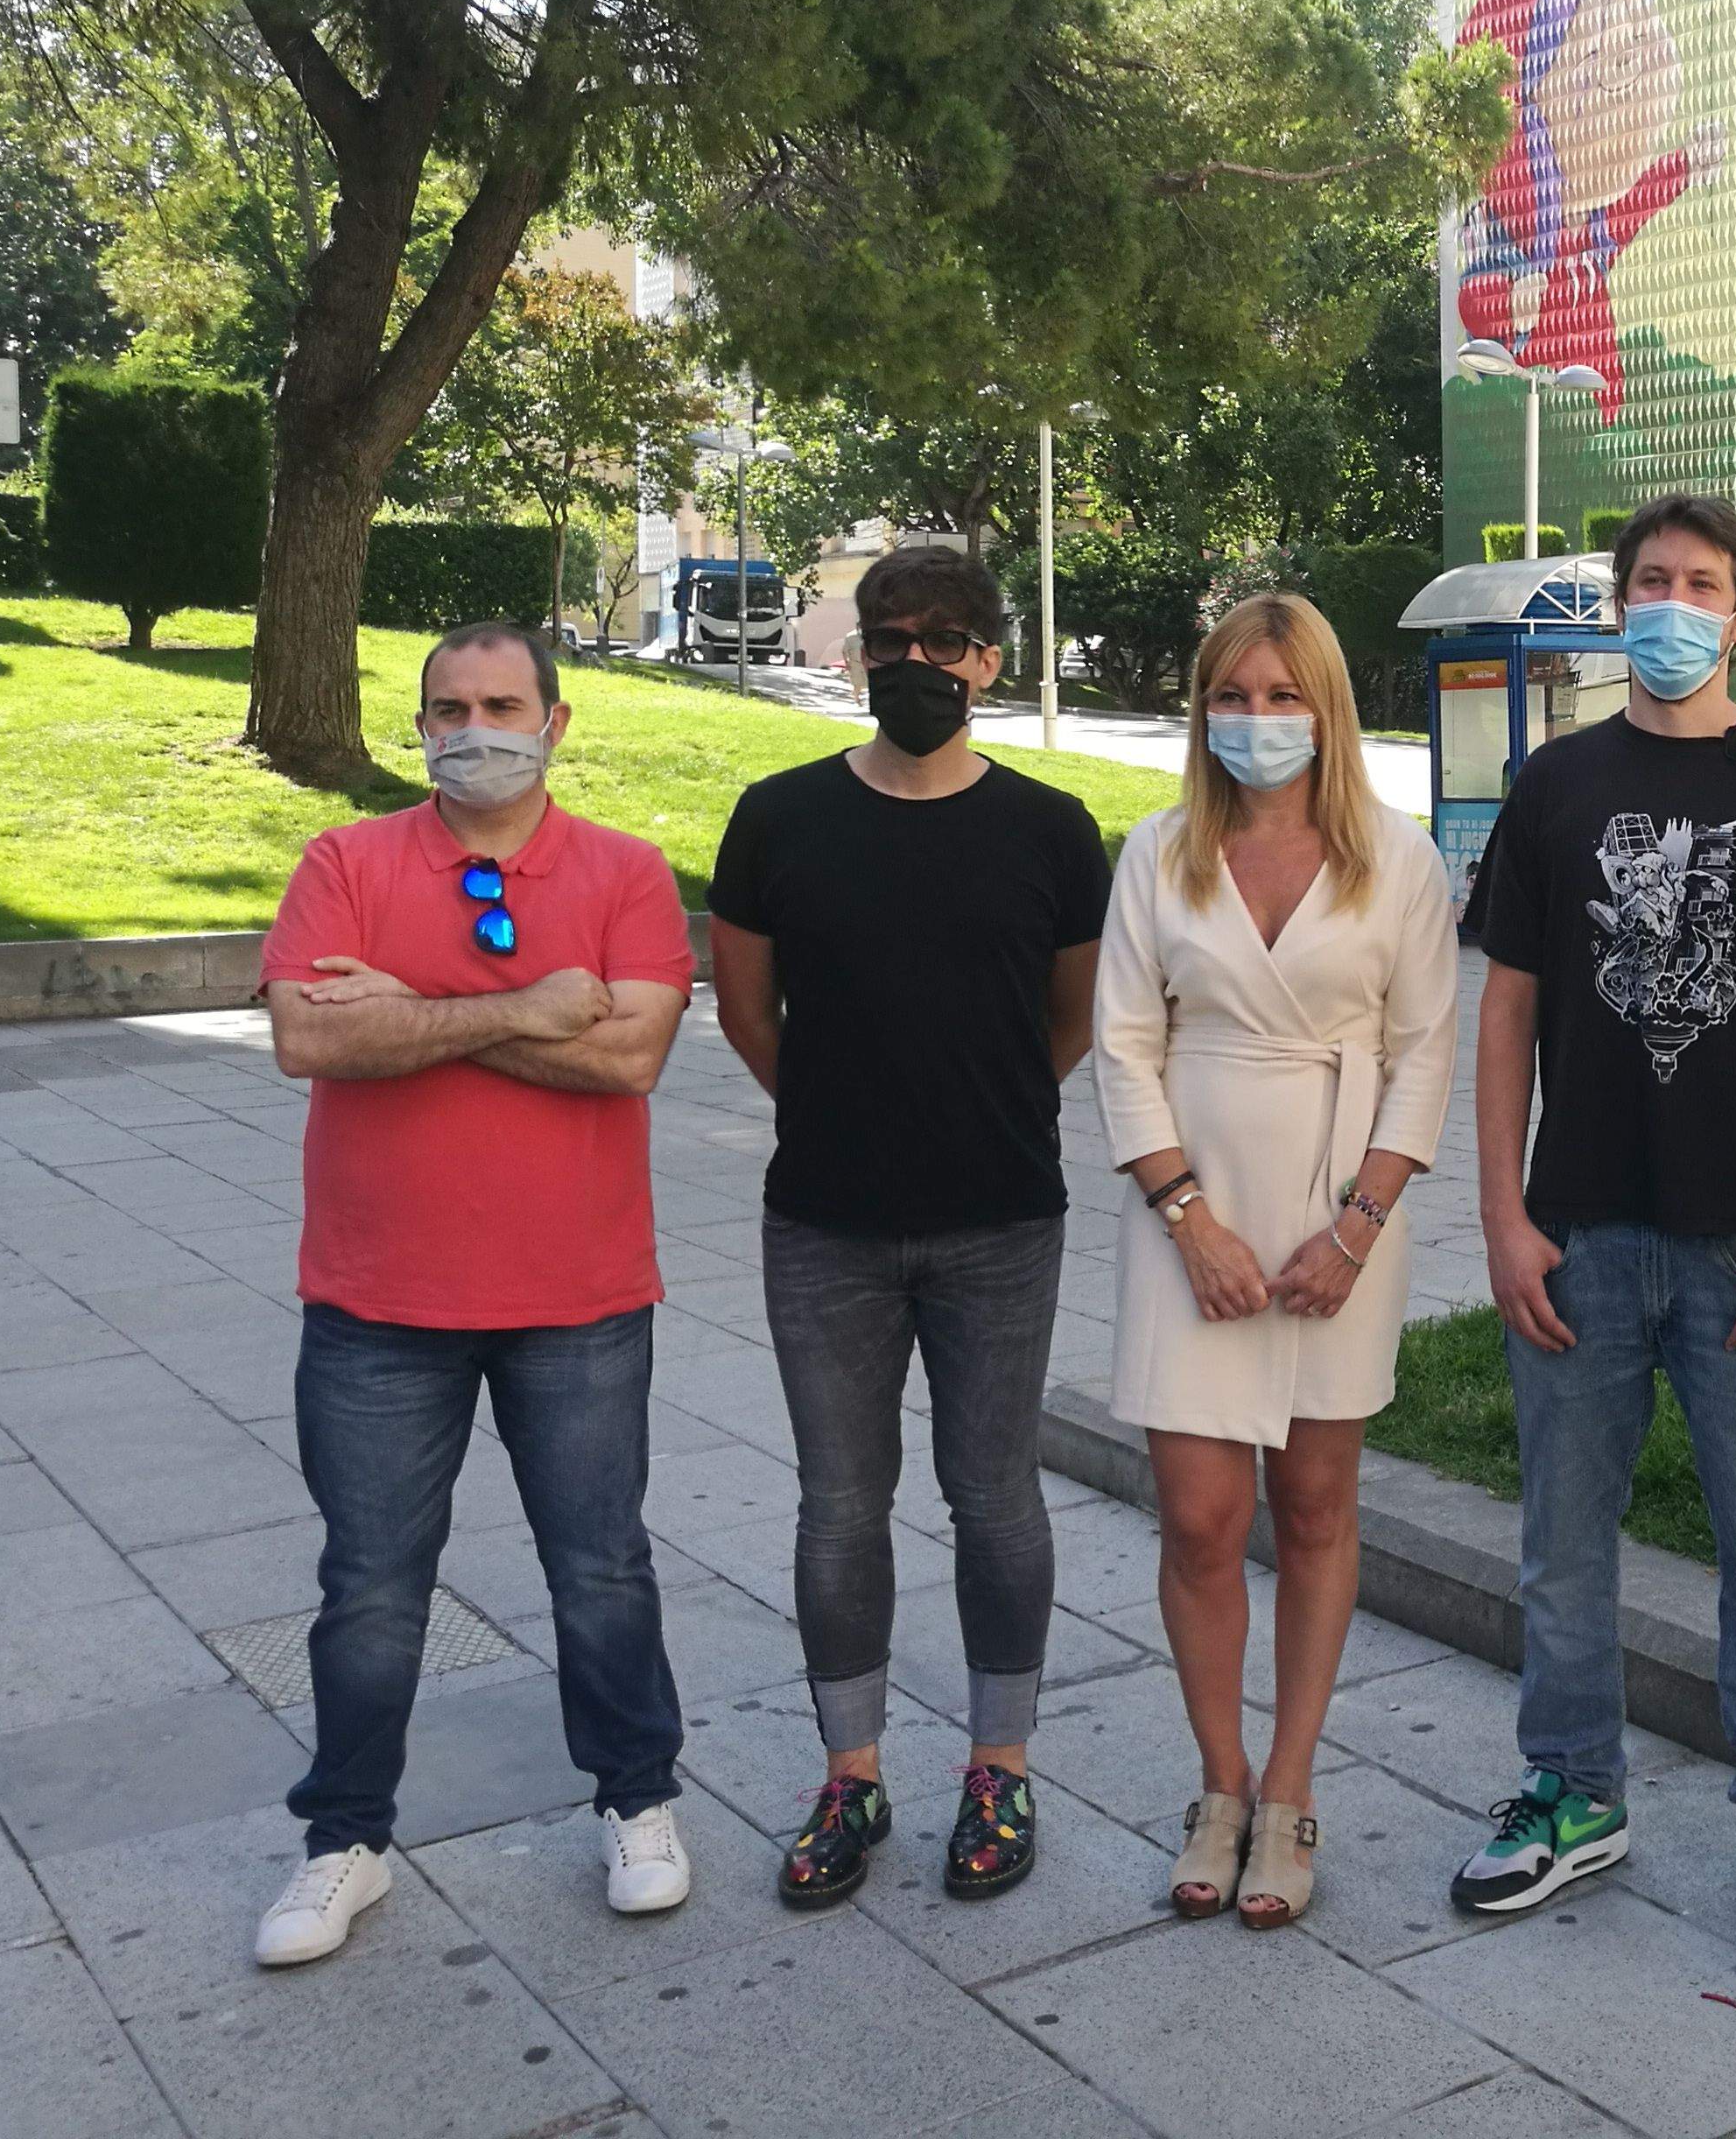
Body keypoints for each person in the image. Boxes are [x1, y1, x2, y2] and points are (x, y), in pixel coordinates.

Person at [1450, 491, 1736, 1950]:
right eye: (1649, 579)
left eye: (1701, 583)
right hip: (1581, 1230)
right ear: (1616, 605)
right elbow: (1506, 1011)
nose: (1673, 602)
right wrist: (1504, 1218)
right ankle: (1574, 1790)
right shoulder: (1556, 787)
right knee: (1559, 1541)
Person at [253, 623, 698, 1965]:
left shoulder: (624, 874)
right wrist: (523, 1004)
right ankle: (344, 1842)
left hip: (578, 1296)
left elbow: (628, 1061)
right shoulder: (347, 861)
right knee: (372, 1588)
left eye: (502, 704)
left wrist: (419, 1012)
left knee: (601, 1569)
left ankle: (639, 1803)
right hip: (378, 1304)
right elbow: (306, 1033)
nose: (472, 728)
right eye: (447, 708)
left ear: (557, 724)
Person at [706, 545, 1111, 1909]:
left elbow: (1069, 1020)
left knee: (993, 1498)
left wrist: (972, 1106)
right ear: (857, 652)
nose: (919, 663)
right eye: (894, 637)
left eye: (949, 642)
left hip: (1001, 1220)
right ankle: (851, 1774)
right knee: (839, 1505)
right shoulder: (777, 816)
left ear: (993, 661)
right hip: (825, 1223)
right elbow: (746, 1011)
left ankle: (999, 1768)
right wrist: (838, 1106)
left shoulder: (1053, 830)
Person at [1094, 595, 1458, 1929]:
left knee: (1314, 1506)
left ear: (1329, 710)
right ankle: (1221, 1783)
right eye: (1233, 698)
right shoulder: (1158, 853)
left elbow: (1424, 1051)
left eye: (1283, 696)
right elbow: (1124, 1044)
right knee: (1198, 1518)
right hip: (1188, 1216)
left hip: (1338, 1224)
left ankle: (1293, 1786)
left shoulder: (1397, 862)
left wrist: (1358, 1226)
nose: (1258, 722)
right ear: (1203, 711)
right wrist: (1188, 1218)